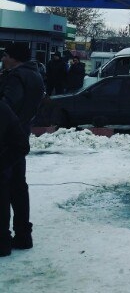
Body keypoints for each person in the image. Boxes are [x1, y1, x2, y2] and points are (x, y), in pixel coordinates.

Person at [0, 43, 45, 252]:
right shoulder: (35, 75)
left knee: (4, 188)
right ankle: (23, 235)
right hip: (21, 137)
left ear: (15, 58)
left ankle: (3, 240)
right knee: (19, 187)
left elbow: (6, 108)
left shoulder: (16, 77)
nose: (3, 59)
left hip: (6, 139)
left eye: (6, 56)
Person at [0, 100, 31, 256]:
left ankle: (4, 242)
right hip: (15, 146)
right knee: (18, 191)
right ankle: (22, 236)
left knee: (8, 192)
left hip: (11, 150)